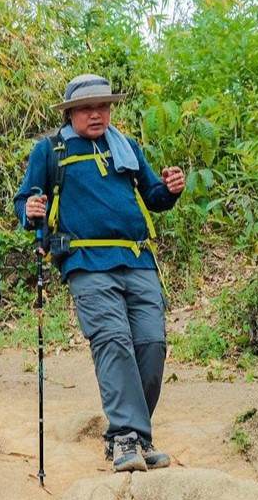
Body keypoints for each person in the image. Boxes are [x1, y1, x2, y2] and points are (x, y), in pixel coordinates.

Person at [14, 73, 185, 473]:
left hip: (138, 259)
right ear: (71, 112)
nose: (97, 114)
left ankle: (134, 437)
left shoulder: (126, 147)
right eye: (88, 107)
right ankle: (126, 437)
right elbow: (26, 200)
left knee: (151, 344)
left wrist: (170, 190)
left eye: (104, 106)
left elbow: (153, 196)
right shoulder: (51, 150)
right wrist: (31, 211)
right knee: (113, 341)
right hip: (86, 263)